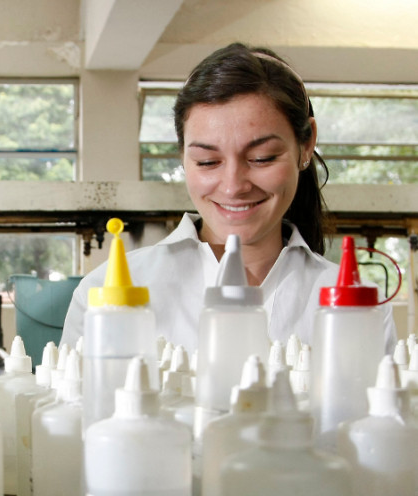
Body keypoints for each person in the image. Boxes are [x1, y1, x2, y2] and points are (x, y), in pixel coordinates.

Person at [61, 42, 397, 354]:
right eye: (208, 162)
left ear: (306, 144)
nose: (233, 185)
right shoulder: (107, 293)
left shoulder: (358, 308)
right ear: (182, 155)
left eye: (262, 157)